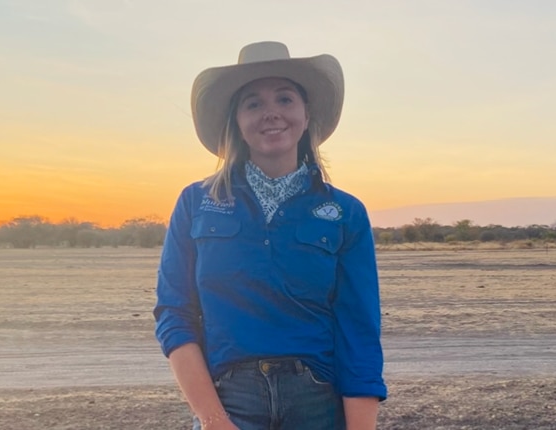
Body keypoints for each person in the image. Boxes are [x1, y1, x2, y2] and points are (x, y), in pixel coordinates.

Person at [154, 41, 387, 430]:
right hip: (228, 399)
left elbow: (358, 329)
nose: (272, 113)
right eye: (253, 103)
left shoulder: (346, 212)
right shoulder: (196, 202)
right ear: (237, 120)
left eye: (285, 98)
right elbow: (174, 314)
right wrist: (213, 420)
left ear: (307, 113)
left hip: (318, 400)